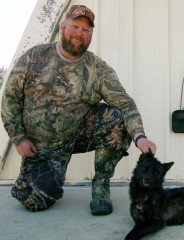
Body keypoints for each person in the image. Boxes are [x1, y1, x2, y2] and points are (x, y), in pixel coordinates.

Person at [1, 5, 156, 215]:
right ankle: (45, 176)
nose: (79, 33)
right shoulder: (34, 57)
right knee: (33, 202)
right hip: (40, 146)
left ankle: (101, 186)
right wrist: (19, 138)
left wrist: (140, 137)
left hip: (77, 134)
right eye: (75, 26)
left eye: (86, 30)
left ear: (91, 34)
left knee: (116, 118)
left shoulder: (97, 68)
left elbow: (125, 103)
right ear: (62, 26)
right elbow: (10, 98)